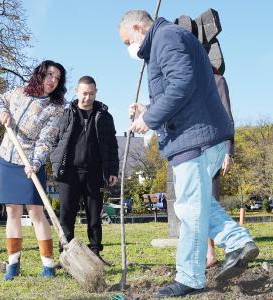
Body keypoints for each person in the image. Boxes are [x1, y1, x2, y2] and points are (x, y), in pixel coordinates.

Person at [119, 10, 259, 298]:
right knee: (194, 205)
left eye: (126, 41)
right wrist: (148, 108)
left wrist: (151, 118)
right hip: (198, 134)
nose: (128, 48)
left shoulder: (166, 37)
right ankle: (236, 241)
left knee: (189, 209)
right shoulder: (166, 40)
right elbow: (181, 88)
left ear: (137, 27)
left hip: (193, 138)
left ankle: (191, 277)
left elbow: (182, 83)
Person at [0, 60, 66, 280]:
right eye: (50, 75)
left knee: (36, 212)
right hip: (8, 158)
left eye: (57, 78)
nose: (53, 81)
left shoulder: (55, 108)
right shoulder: (19, 92)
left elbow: (46, 140)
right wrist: (2, 111)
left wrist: (36, 162)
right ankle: (13, 263)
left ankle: (48, 265)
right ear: (40, 75)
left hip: (31, 162)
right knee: (12, 211)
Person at [50, 76, 119, 265]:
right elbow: (55, 141)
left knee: (94, 216)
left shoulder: (104, 116)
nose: (87, 98)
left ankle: (95, 253)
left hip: (94, 172)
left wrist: (112, 170)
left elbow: (112, 145)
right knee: (66, 215)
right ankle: (65, 256)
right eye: (84, 93)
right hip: (68, 173)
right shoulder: (66, 114)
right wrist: (56, 164)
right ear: (76, 92)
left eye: (91, 94)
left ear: (96, 92)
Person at [206, 67, 235, 269]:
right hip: (191, 151)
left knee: (210, 202)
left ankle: (233, 244)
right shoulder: (188, 80)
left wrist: (228, 152)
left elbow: (227, 117)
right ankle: (208, 255)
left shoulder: (217, 81)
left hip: (214, 150)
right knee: (196, 204)